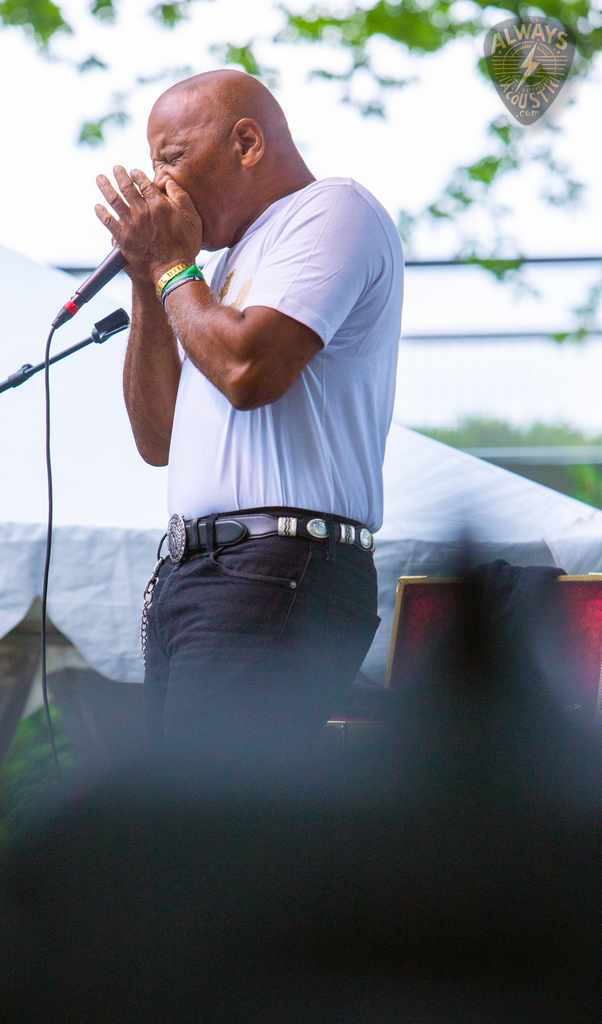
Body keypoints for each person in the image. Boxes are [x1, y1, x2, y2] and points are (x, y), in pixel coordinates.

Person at [94, 69, 403, 759]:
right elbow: (158, 438)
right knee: (185, 804)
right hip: (202, 573)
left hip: (277, 566)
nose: (159, 182)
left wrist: (171, 264)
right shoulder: (218, 267)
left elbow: (247, 371)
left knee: (211, 806)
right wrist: (148, 280)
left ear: (246, 143)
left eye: (171, 157)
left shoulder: (332, 210)